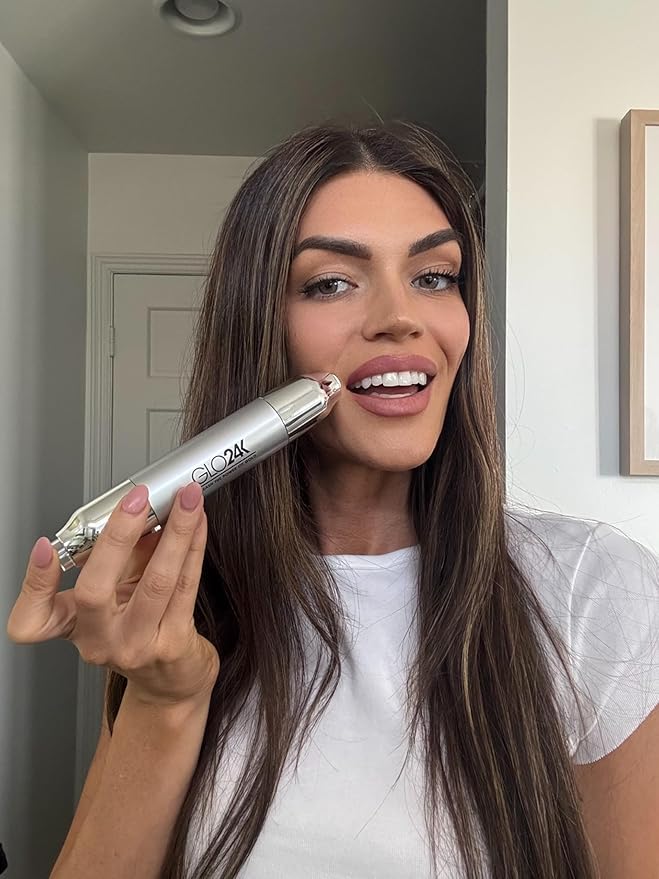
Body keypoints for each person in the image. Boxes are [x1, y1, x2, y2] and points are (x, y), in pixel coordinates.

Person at [6, 121, 659, 879]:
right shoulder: (180, 602)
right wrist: (163, 699)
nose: (400, 316)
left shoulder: (591, 589)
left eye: (434, 276)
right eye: (331, 283)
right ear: (262, 329)